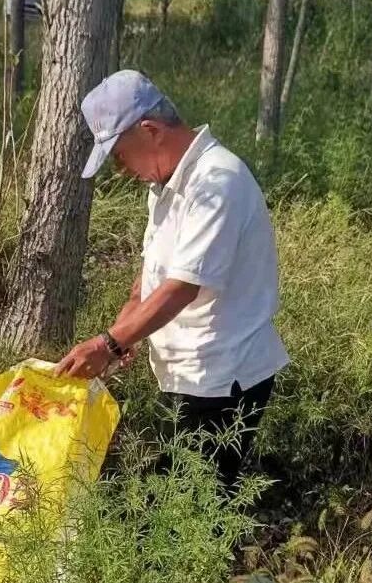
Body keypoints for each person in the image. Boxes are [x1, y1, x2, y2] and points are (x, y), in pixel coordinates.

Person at [56, 70, 289, 490]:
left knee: (188, 511)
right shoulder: (166, 185)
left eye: (119, 155)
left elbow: (183, 286)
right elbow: (149, 280)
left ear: (150, 130)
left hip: (223, 377)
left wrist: (108, 344)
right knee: (179, 505)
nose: (121, 169)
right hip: (189, 373)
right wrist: (121, 334)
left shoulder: (218, 182)